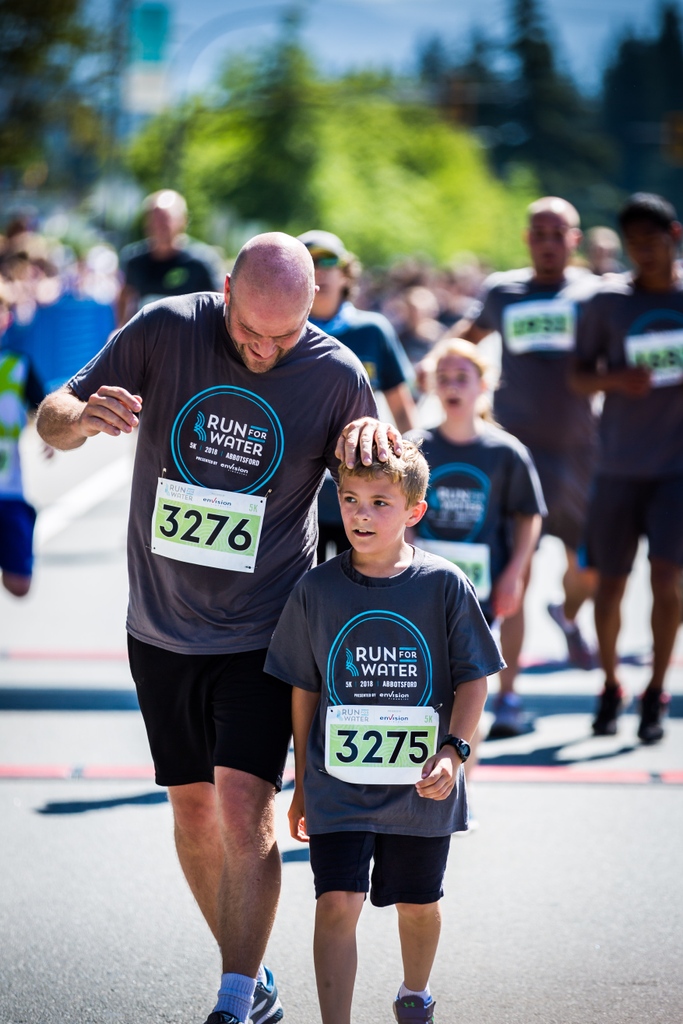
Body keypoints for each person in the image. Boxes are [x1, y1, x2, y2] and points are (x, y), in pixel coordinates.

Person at [36, 232, 398, 1024]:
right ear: (225, 288)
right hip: (160, 623)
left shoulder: (335, 374)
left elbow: (387, 487)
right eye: (248, 333)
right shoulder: (167, 327)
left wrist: (377, 455)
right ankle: (254, 974)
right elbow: (51, 417)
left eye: (285, 335)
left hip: (267, 629)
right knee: (192, 809)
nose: (265, 352)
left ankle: (234, 1000)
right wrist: (81, 418)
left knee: (243, 805)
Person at [265, 440, 504, 1024]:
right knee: (335, 903)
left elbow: (476, 678)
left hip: (422, 783)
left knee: (419, 904)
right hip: (338, 784)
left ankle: (415, 993)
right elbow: (305, 686)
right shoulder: (315, 589)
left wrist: (455, 752)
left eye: (380, 502)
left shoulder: (444, 585)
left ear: (414, 512)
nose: (361, 515)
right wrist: (301, 781)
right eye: (349, 500)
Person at [448, 197, 599, 685]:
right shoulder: (503, 291)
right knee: (517, 574)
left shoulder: (595, 294)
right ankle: (507, 693)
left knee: (589, 571)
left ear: (574, 240)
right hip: (516, 453)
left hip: (579, 453)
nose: (549, 243)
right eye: (540, 233)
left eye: (559, 234)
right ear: (527, 239)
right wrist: (448, 378)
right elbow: (462, 342)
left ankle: (569, 615)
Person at [572, 193, 683, 744]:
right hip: (616, 465)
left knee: (668, 581)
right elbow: (578, 376)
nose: (643, 252)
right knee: (609, 586)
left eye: (653, 241)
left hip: (676, 473)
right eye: (634, 243)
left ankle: (657, 688)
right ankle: (612, 683)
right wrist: (618, 381)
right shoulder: (608, 302)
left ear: (675, 237)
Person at [409, 339, 546, 738]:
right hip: (426, 584)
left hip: (482, 586)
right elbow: (399, 510)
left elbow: (529, 514)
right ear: (433, 386)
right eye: (444, 378)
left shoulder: (505, 452)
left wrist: (515, 573)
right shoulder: (416, 445)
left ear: (482, 386)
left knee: (470, 685)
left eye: (462, 378)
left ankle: (466, 775)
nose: (453, 386)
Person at [297, 230, 418, 561]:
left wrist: (412, 480)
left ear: (346, 272)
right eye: (308, 261)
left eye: (328, 260)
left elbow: (403, 411)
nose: (319, 268)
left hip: (364, 496)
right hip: (297, 499)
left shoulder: (372, 331)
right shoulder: (280, 332)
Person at [0, 282, 50, 597]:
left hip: (9, 489)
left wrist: (50, 436)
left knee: (19, 585)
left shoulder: (18, 364)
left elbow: (44, 407)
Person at [117, 189, 223, 325]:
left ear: (183, 220)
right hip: (148, 340)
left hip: (189, 341)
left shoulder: (202, 261)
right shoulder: (134, 260)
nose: (159, 225)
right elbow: (124, 295)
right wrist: (121, 329)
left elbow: (220, 302)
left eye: (165, 219)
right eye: (154, 218)